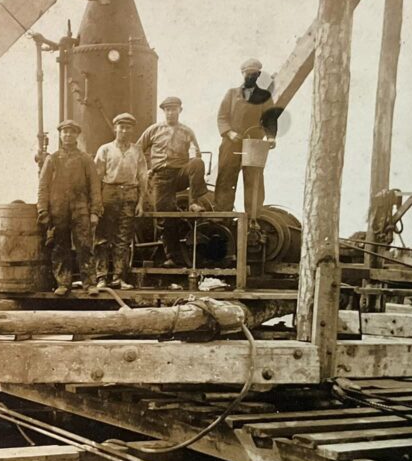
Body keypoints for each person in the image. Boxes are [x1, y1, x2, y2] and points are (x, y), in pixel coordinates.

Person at [137, 96, 205, 267]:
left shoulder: (187, 131)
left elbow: (196, 153)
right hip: (161, 177)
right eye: (167, 109)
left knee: (197, 163)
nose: (170, 113)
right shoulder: (153, 130)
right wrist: (146, 170)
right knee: (165, 216)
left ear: (179, 111)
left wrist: (193, 156)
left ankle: (194, 203)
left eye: (174, 109)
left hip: (181, 173)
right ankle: (173, 257)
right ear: (164, 111)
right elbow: (137, 151)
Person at [37, 120, 102, 297]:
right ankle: (63, 283)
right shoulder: (53, 159)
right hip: (58, 209)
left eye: (71, 132)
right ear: (60, 135)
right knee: (60, 246)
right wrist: (43, 210)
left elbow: (95, 187)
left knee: (85, 245)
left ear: (77, 135)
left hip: (81, 208)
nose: (68, 135)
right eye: (65, 132)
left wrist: (95, 211)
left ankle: (89, 283)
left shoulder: (85, 159)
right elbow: (43, 187)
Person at [214, 58, 279, 225]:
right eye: (247, 73)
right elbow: (222, 117)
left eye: (253, 74)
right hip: (232, 142)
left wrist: (271, 136)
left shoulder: (264, 96)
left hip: (254, 143)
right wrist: (229, 132)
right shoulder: (231, 94)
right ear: (242, 73)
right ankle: (222, 216)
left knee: (254, 179)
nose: (250, 76)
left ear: (258, 75)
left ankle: (253, 218)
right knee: (226, 176)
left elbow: (270, 118)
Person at [94, 113, 147, 289]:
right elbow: (97, 178)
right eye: (121, 127)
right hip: (109, 192)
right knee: (103, 237)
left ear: (132, 130)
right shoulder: (105, 149)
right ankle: (101, 277)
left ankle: (118, 277)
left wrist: (140, 203)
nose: (124, 130)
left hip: (130, 194)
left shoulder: (137, 151)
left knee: (123, 238)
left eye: (128, 127)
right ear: (115, 128)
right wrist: (97, 203)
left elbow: (142, 178)